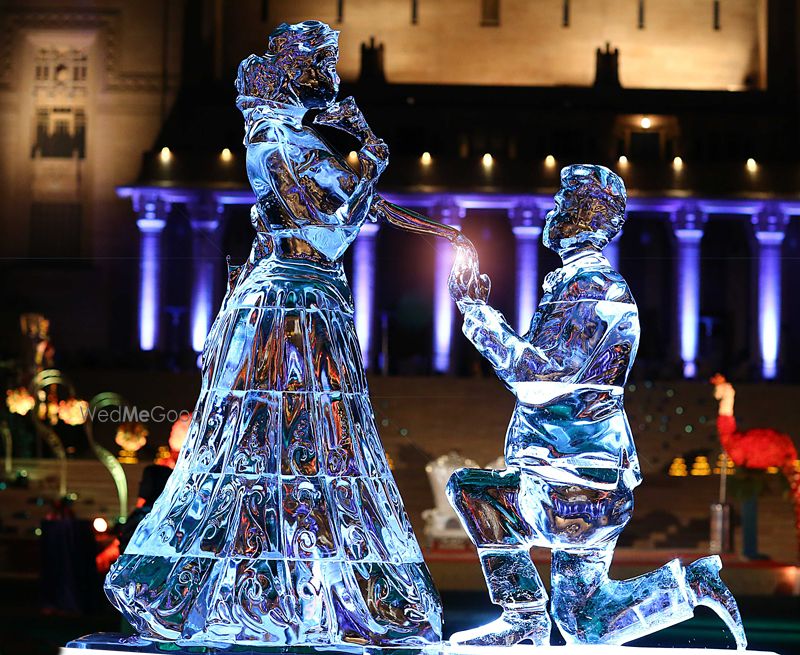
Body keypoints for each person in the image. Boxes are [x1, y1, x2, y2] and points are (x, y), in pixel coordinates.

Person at [104, 21, 450, 646]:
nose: (333, 80)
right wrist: (368, 166)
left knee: (317, 453)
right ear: (294, 71)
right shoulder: (272, 142)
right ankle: (240, 598)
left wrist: (442, 231)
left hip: (314, 303)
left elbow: (369, 208)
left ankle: (308, 599)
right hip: (288, 307)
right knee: (268, 449)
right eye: (323, 67)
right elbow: (329, 233)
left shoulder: (305, 141)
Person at [447, 164, 746, 648]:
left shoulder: (590, 286)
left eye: (563, 205)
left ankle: (524, 623)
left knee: (477, 494)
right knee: (585, 623)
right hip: (587, 475)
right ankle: (687, 587)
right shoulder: (580, 283)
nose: (553, 213)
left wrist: (478, 315)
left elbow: (539, 378)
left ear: (586, 217)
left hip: (572, 476)